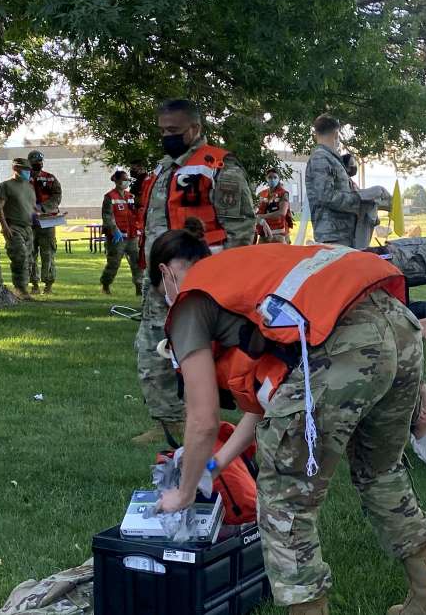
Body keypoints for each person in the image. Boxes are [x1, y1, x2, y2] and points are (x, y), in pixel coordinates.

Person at [152, 233, 426, 615]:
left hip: (343, 345)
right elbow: (270, 401)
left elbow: (202, 419)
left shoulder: (189, 304)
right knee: (382, 473)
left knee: (285, 500)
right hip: (399, 326)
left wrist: (181, 494)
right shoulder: (246, 273)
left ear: (165, 275)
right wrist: (214, 466)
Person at [131, 98, 256, 444]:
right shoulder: (161, 170)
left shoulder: (219, 167)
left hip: (201, 280)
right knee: (151, 346)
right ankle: (169, 421)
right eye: (162, 130)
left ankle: (213, 419)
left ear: (195, 129)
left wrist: (221, 280)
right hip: (160, 279)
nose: (166, 136)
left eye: (174, 131)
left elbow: (240, 230)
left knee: (201, 349)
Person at [305, 114, 389, 247]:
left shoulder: (330, 158)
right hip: (333, 235)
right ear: (336, 134)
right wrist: (360, 199)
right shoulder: (321, 158)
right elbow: (326, 196)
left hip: (343, 233)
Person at [0, 158, 37, 300]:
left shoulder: (29, 187)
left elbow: (31, 208)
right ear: (16, 169)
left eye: (29, 170)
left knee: (30, 260)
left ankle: (25, 288)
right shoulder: (6, 186)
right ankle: (20, 289)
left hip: (28, 228)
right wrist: (5, 227)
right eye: (25, 170)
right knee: (20, 257)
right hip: (14, 227)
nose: (28, 172)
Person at [100, 170, 141, 296]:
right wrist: (114, 230)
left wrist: (139, 228)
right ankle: (105, 285)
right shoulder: (110, 197)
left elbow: (136, 214)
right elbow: (107, 216)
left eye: (127, 179)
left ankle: (139, 287)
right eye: (124, 179)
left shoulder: (130, 197)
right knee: (113, 263)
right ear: (117, 181)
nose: (126, 181)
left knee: (137, 263)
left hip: (132, 236)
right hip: (117, 238)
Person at [27, 150, 62, 295]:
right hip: (28, 221)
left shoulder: (50, 178)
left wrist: (44, 207)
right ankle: (34, 284)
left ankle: (48, 284)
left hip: (47, 220)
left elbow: (57, 195)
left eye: (40, 162)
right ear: (30, 163)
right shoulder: (23, 179)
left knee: (48, 254)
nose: (38, 164)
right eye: (35, 162)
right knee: (30, 253)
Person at [256, 168, 292, 244]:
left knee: (281, 254)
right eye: (270, 177)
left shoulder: (283, 193)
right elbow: (257, 210)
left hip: (279, 233)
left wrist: (262, 216)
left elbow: (282, 212)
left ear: (279, 179)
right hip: (264, 232)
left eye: (275, 177)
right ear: (266, 178)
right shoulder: (262, 194)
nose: (272, 179)